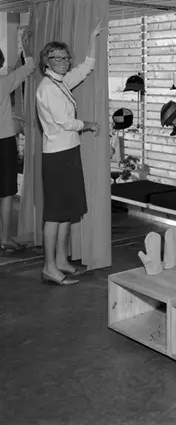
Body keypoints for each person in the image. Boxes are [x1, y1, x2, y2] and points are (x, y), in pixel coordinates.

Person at [36, 20, 105, 286]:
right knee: (55, 214)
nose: (63, 62)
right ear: (47, 61)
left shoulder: (61, 82)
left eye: (66, 58)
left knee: (66, 211)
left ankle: (61, 260)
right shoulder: (47, 88)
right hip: (57, 157)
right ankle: (49, 267)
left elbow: (87, 66)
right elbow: (66, 123)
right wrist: (89, 124)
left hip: (69, 153)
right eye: (57, 58)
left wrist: (93, 36)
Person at [0, 29, 35, 255]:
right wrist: (25, 45)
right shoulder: (4, 82)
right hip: (3, 143)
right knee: (6, 193)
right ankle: (4, 239)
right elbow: (30, 66)